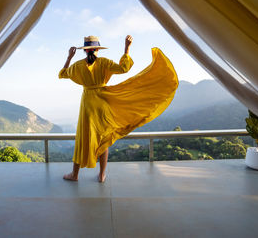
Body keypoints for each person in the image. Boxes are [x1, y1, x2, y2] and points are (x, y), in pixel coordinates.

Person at [59, 35, 178, 183]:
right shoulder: (103, 62)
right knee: (104, 137)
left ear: (85, 50)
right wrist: (127, 48)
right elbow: (124, 68)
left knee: (83, 138)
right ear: (97, 49)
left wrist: (69, 57)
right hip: (103, 102)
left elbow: (63, 74)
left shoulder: (77, 66)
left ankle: (75, 175)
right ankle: (102, 175)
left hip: (88, 104)